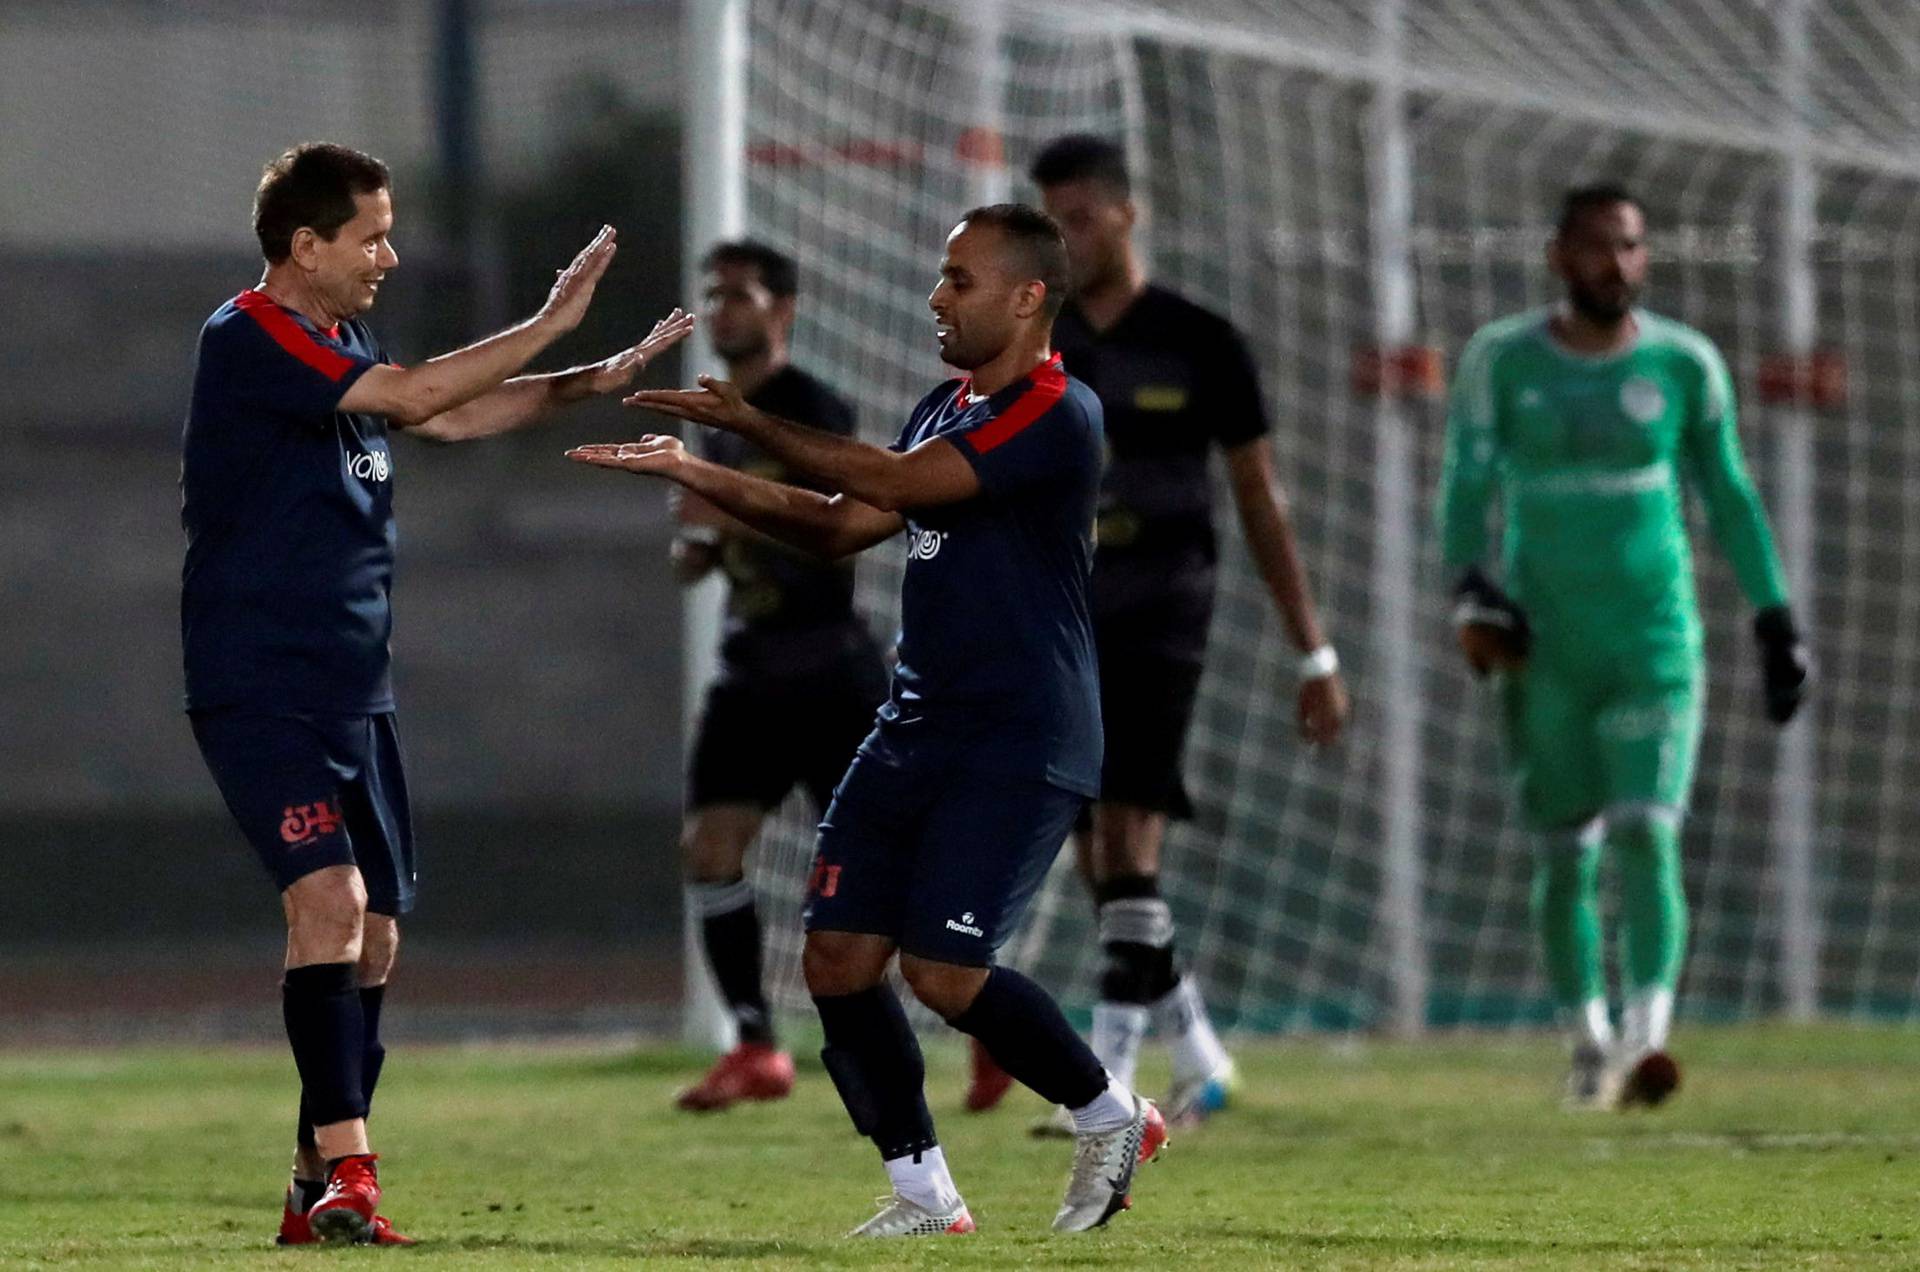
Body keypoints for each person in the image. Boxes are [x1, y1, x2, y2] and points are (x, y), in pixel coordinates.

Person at [570, 203, 1166, 1236]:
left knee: (944, 972)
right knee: (837, 960)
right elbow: (847, 525)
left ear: (1028, 297)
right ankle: (924, 1196)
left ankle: (1111, 1116)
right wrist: (691, 467)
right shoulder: (946, 404)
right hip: (914, 727)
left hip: (1018, 737)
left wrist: (751, 424)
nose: (937, 296)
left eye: (960, 280)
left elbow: (891, 484)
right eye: (940, 276)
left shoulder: (1055, 411)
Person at [180, 142, 691, 1244]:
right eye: (368, 235)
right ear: (304, 246)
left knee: (374, 939)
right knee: (332, 903)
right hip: (258, 682)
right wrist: (553, 321)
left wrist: (580, 385)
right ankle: (354, 1178)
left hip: (354, 687)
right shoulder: (250, 336)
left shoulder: (339, 341)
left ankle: (309, 1189)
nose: (389, 253)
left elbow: (446, 415)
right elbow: (416, 399)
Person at [974, 133, 1349, 1128]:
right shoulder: (1035, 346)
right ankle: (1201, 1053)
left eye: (1082, 219)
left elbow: (1261, 499)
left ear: (1127, 215)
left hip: (1165, 616)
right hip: (1062, 618)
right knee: (1100, 855)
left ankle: (1102, 1083)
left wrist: (1313, 649)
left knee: (1128, 831)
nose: (1067, 242)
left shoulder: (1202, 340)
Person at [1435, 183, 1810, 1109]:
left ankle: (1649, 1039)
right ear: (1559, 256)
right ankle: (1589, 1043)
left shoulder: (1686, 364)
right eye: (1601, 247)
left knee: (1648, 830)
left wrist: (1774, 617)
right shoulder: (1502, 361)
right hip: (1544, 650)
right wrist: (1467, 586)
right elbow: (1464, 486)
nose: (1621, 265)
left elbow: (1727, 493)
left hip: (1655, 640)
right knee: (1566, 855)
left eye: (1635, 246)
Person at [670, 240, 888, 1111]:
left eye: (740, 295)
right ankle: (756, 1044)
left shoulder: (814, 409)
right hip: (752, 669)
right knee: (709, 850)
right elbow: (693, 557)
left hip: (828, 670)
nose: (723, 310)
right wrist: (692, 539)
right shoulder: (708, 422)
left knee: (884, 874)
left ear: (782, 310)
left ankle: (983, 1025)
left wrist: (735, 519)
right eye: (713, 295)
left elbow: (838, 538)